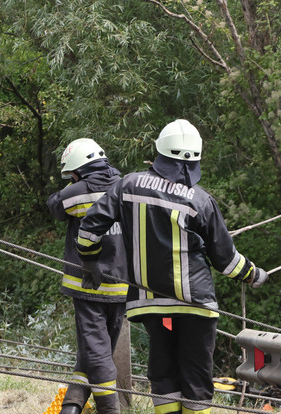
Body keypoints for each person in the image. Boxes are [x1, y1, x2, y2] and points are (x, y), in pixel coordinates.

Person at [75, 119, 268, 414]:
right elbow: (226, 261)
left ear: (159, 153)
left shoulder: (127, 185)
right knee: (196, 377)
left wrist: (90, 258)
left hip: (149, 304)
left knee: (163, 374)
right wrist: (253, 274)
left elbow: (89, 229)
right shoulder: (200, 201)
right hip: (196, 305)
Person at [47, 138, 128, 414]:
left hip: (87, 287)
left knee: (97, 353)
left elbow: (54, 206)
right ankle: (71, 406)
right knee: (95, 350)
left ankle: (110, 410)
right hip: (122, 287)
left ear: (77, 170)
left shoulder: (77, 190)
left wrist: (72, 182)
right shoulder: (126, 185)